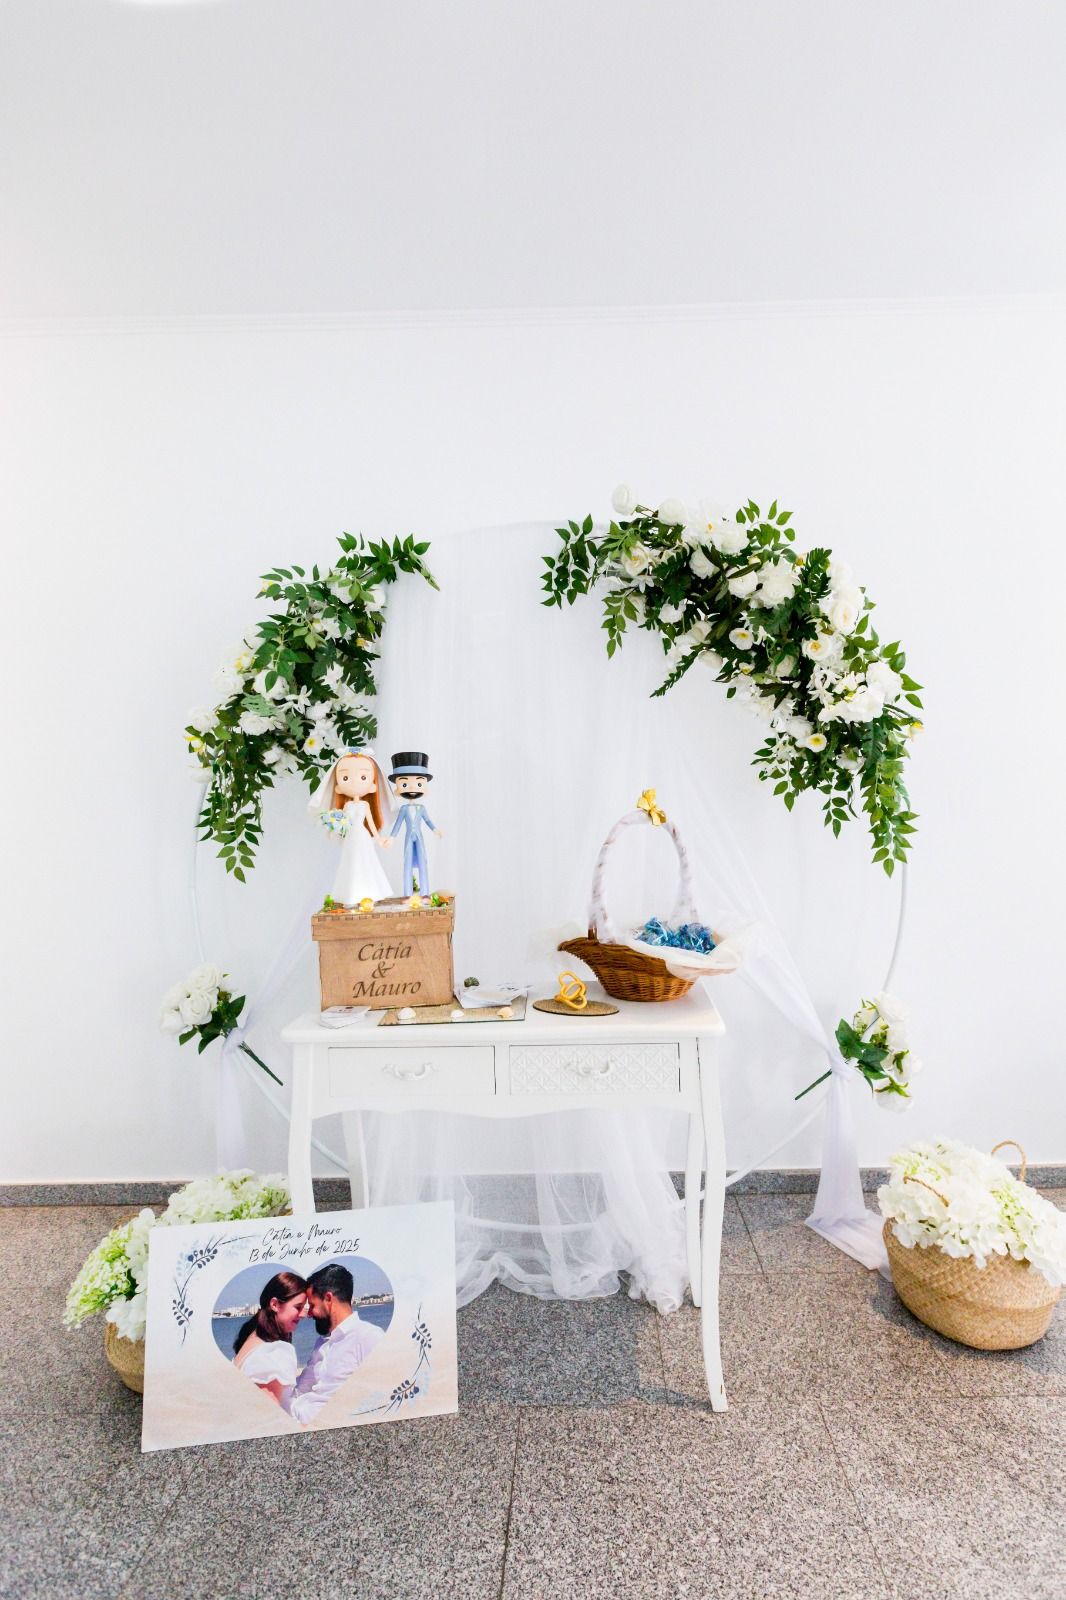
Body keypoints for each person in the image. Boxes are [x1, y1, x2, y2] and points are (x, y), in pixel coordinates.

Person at [286, 1262, 384, 1424]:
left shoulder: (368, 1337)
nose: (309, 1314)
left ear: (328, 1299)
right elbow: (300, 1389)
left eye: (312, 1305)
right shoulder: (322, 1342)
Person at [308, 749, 394, 906]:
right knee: (350, 862)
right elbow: (342, 821)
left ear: (372, 786)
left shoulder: (365, 804)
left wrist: (378, 839)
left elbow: (371, 824)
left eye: (363, 777)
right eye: (345, 778)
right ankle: (351, 894)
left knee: (365, 861)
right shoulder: (347, 805)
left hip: (362, 835)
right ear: (338, 787)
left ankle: (370, 892)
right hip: (350, 837)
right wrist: (332, 830)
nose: (355, 782)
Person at [231, 1270, 308, 1410]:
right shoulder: (273, 1353)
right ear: (275, 1305)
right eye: (298, 1307)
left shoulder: (251, 1339)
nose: (303, 1314)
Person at [384, 750, 443, 896]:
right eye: (404, 784)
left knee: (423, 862)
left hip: (419, 838)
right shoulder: (403, 809)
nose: (411, 788)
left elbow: (428, 820)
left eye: (418, 783)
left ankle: (425, 893)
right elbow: (398, 825)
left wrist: (435, 830)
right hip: (408, 838)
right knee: (407, 863)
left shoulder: (421, 808)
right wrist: (391, 837)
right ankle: (408, 894)